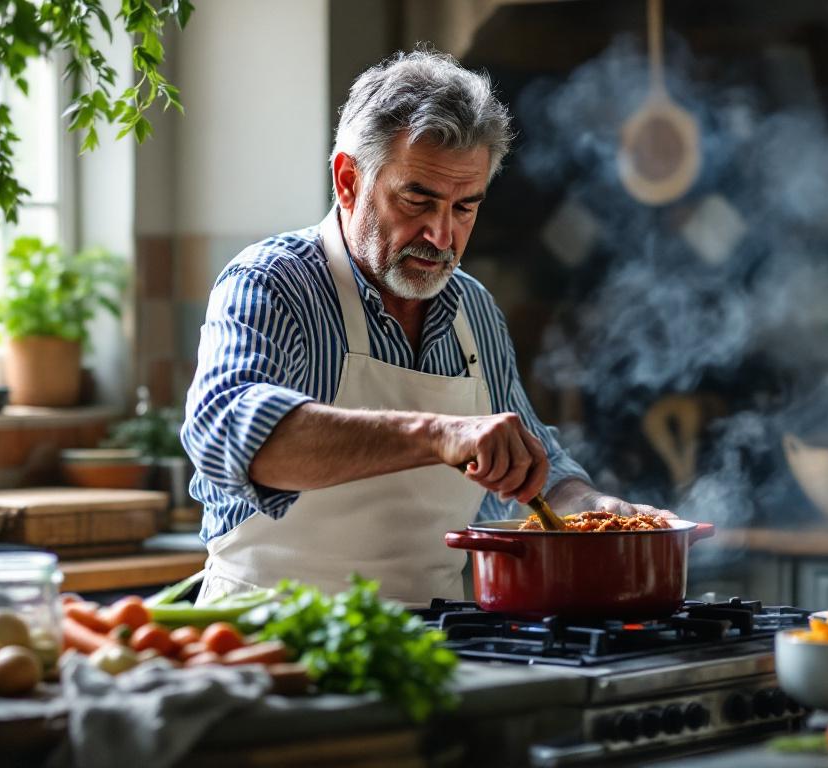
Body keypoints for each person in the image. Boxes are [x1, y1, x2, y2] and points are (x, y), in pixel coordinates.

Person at [182, 50, 669, 605]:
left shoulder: (473, 309)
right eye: (418, 198)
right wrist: (439, 435)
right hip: (268, 648)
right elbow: (226, 434)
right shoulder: (272, 283)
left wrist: (585, 503)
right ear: (347, 181)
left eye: (466, 207)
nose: (441, 236)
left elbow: (528, 465)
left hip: (428, 653)